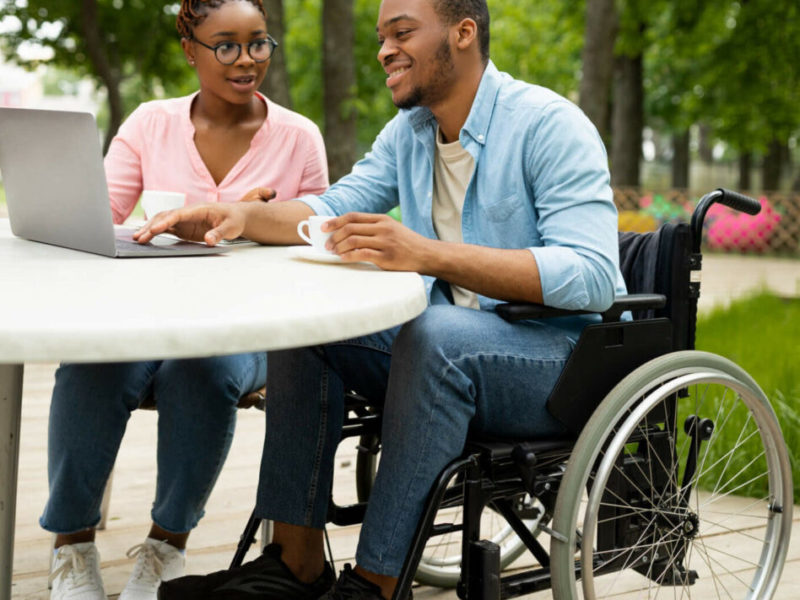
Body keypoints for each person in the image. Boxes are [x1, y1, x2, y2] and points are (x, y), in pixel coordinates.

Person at [140, 0, 626, 598]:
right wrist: (234, 215)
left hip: (557, 364)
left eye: (401, 33)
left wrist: (425, 253)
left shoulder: (549, 124)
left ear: (464, 33)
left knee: (436, 333)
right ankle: (294, 565)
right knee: (309, 321)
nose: (384, 51)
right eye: (380, 37)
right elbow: (326, 207)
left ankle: (374, 585)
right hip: (448, 348)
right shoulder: (411, 132)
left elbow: (594, 274)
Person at [43, 1, 328, 599]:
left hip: (249, 331)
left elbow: (317, 239)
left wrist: (249, 220)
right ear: (190, 49)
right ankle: (71, 552)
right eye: (225, 45)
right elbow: (96, 222)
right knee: (93, 359)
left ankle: (164, 547)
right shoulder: (150, 124)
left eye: (258, 43)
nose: (246, 59)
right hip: (146, 320)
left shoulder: (298, 138)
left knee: (204, 368)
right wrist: (170, 227)